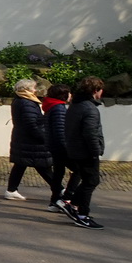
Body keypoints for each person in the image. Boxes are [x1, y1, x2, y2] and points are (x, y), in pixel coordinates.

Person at [4, 78, 61, 203]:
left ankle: (11, 190)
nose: (35, 90)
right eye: (33, 88)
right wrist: (43, 137)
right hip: (31, 140)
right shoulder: (26, 103)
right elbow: (31, 124)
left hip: (23, 138)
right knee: (42, 165)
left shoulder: (20, 100)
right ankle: (59, 189)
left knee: (21, 164)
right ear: (27, 90)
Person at [64, 76, 106, 229]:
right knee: (91, 181)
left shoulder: (75, 105)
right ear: (95, 91)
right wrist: (96, 152)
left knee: (88, 180)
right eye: (101, 91)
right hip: (86, 152)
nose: (101, 94)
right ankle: (82, 215)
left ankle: (73, 204)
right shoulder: (90, 109)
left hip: (75, 149)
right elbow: (90, 133)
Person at [42, 84, 79, 216]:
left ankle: (55, 201)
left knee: (58, 173)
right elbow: (60, 131)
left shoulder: (51, 106)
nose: (71, 95)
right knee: (79, 170)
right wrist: (67, 148)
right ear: (63, 95)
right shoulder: (58, 108)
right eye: (69, 93)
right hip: (61, 147)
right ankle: (66, 198)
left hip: (53, 146)